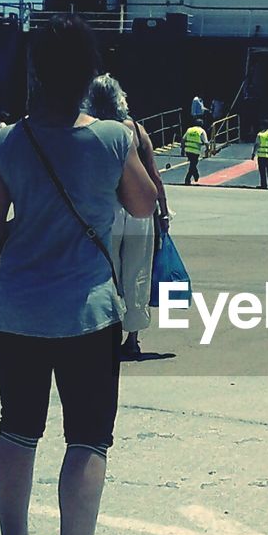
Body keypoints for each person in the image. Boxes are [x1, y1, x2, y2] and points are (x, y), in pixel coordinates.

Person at [0, 15, 157, 535]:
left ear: (36, 72)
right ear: (89, 74)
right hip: (85, 316)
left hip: (16, 312)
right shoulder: (112, 138)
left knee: (18, 429)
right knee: (86, 438)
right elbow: (142, 205)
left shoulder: (10, 140)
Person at [88, 73, 171, 359]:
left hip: (106, 210)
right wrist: (163, 211)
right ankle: (132, 339)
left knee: (104, 274)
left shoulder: (92, 129)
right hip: (139, 212)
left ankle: (104, 334)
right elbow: (154, 176)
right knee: (137, 272)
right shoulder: (136, 129)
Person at [182, 118, 208, 184]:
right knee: (193, 164)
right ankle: (188, 178)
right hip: (195, 151)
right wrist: (208, 149)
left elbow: (183, 139)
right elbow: (206, 142)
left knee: (192, 164)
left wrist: (182, 149)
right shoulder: (201, 131)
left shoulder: (189, 130)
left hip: (188, 150)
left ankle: (195, 175)